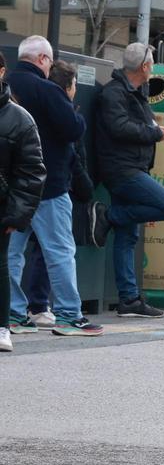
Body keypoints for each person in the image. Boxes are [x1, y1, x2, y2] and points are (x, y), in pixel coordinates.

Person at [6, 35, 100, 336]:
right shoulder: (47, 90)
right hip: (49, 185)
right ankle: (69, 315)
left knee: (10, 253)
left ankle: (13, 313)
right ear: (43, 60)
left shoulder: (7, 88)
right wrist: (71, 108)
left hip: (10, 190)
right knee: (59, 251)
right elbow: (73, 130)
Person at [95, 42, 164, 318]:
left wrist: (154, 129)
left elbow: (135, 125)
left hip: (133, 167)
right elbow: (119, 127)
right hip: (123, 171)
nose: (153, 67)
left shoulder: (134, 92)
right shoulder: (114, 93)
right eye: (152, 63)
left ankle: (129, 300)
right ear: (145, 67)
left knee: (128, 236)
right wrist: (153, 134)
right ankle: (109, 216)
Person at [0, 51, 47, 353]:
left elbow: (32, 173)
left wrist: (16, 216)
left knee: (0, 267)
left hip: (1, 210)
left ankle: (2, 326)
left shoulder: (19, 119)